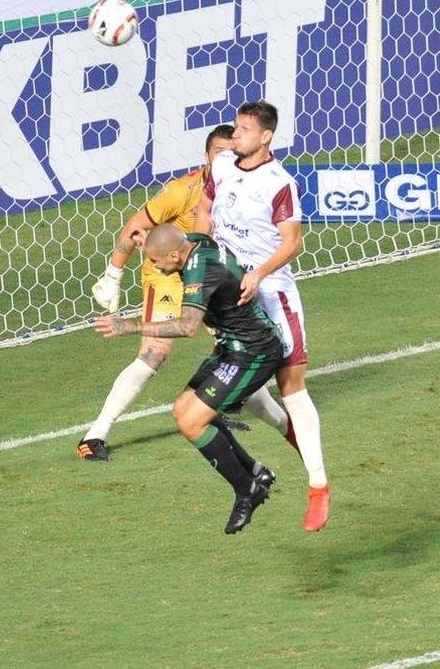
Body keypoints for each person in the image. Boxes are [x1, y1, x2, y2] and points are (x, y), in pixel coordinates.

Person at [80, 125, 293, 460]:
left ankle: (227, 408)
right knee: (156, 351)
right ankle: (96, 434)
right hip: (167, 269)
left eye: (231, 153)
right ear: (206, 157)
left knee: (235, 347)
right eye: (219, 154)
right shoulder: (182, 191)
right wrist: (113, 274)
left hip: (210, 274)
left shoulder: (246, 186)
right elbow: (135, 226)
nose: (226, 159)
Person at [195, 100, 330, 532]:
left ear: (266, 136)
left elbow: (293, 243)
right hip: (229, 289)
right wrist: (203, 260)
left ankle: (318, 486)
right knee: (246, 385)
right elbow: (204, 210)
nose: (236, 135)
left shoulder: (279, 183)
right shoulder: (220, 164)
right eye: (235, 127)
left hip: (271, 291)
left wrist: (260, 273)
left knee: (291, 386)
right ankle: (290, 436)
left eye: (245, 129)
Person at [93, 224, 281, 534]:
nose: (153, 266)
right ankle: (255, 471)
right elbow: (172, 240)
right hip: (230, 346)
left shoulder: (200, 271)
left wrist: (131, 327)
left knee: (193, 423)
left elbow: (187, 326)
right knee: (182, 410)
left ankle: (247, 489)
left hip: (252, 351)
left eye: (155, 261)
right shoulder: (193, 243)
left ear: (173, 255)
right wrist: (147, 240)